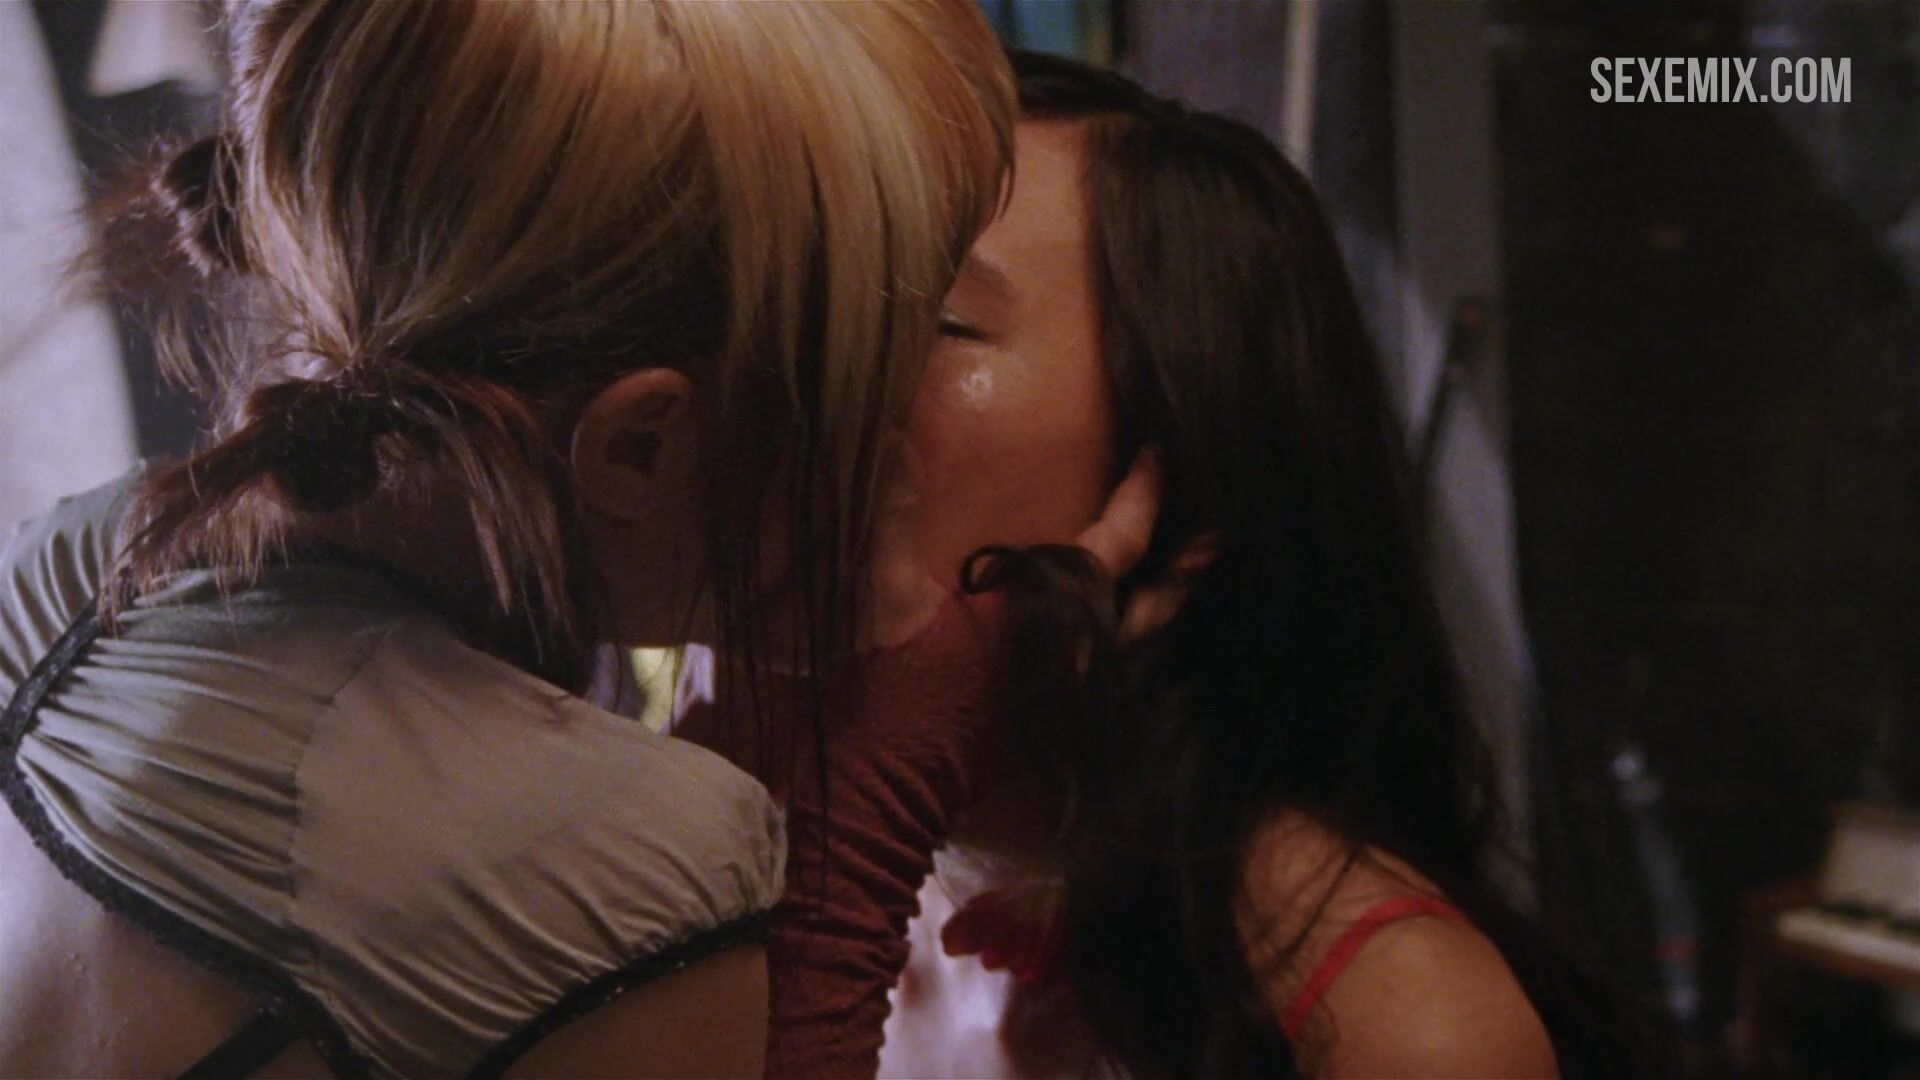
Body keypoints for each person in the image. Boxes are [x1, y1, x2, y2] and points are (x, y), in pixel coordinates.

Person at [0, 1, 1017, 1075]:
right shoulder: (618, 868)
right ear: (640, 448)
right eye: (885, 367)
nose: (906, 445)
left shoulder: (76, 563)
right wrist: (875, 768)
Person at [872, 52, 1664, 1079]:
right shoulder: (806, 841)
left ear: (1181, 472)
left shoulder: (1398, 1021)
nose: (824, 367)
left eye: (939, 321)